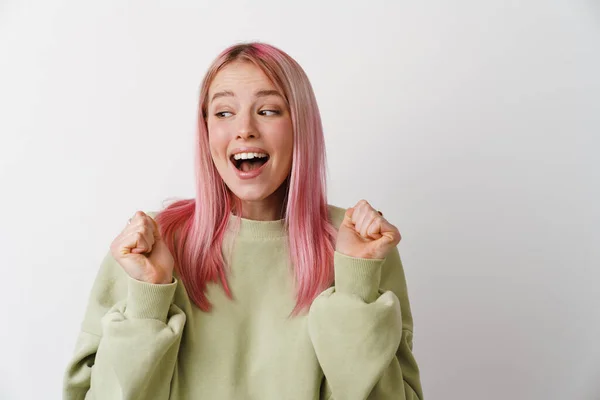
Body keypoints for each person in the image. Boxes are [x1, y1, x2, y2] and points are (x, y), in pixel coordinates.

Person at [63, 42, 424, 400]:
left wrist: (356, 284)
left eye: (268, 111)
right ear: (205, 131)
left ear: (301, 126)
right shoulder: (148, 247)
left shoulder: (360, 245)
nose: (245, 129)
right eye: (223, 113)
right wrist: (148, 296)